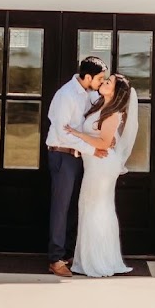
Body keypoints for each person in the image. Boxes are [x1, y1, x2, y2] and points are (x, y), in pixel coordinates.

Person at [64, 73, 139, 278]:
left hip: (102, 165)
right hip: (95, 163)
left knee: (96, 208)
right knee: (92, 207)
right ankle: (92, 259)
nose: (104, 82)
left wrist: (77, 134)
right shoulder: (99, 105)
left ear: (116, 91)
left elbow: (104, 143)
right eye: (105, 80)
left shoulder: (113, 114)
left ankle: (98, 261)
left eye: (109, 82)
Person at [46, 56, 109, 277]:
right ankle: (55, 259)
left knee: (74, 207)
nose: (102, 82)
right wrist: (93, 150)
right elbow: (62, 132)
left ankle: (68, 253)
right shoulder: (66, 95)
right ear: (88, 77)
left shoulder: (88, 94)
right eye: (100, 78)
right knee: (61, 208)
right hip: (62, 156)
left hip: (78, 157)